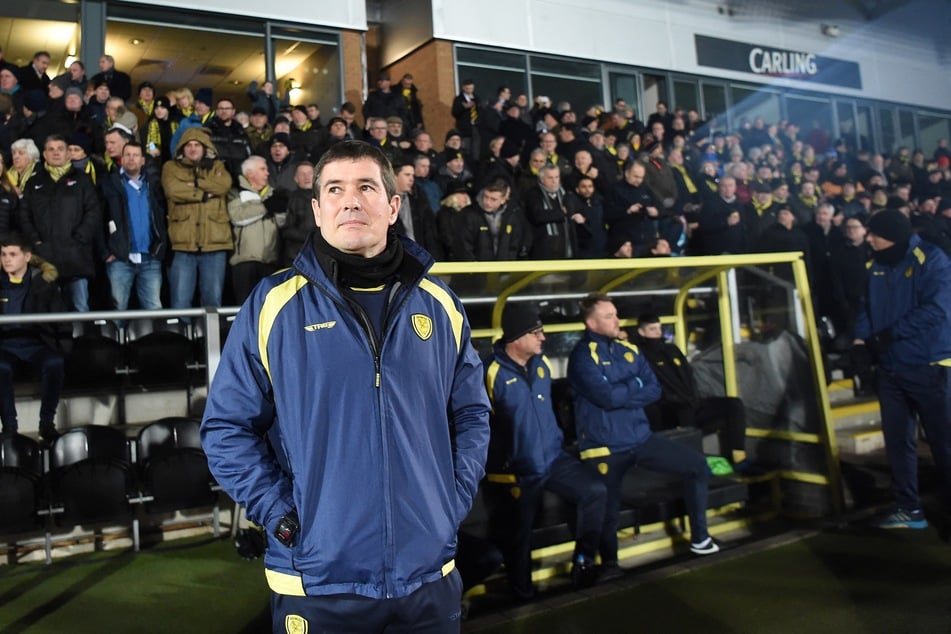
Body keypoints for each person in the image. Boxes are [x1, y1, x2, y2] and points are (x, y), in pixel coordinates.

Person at [200, 140, 489, 631]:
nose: (350, 200)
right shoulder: (273, 305)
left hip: (429, 579)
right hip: (318, 582)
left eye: (366, 187)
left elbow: (472, 414)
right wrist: (284, 517)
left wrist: (451, 501)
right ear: (317, 209)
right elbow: (226, 429)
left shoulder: (440, 305)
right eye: (334, 188)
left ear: (393, 206)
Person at [567, 294, 719, 570]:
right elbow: (607, 398)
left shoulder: (628, 349)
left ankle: (700, 539)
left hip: (640, 438)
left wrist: (624, 388)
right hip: (606, 447)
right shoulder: (581, 356)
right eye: (609, 316)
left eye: (615, 313)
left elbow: (654, 389)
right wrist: (632, 384)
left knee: (697, 465)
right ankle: (609, 566)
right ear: (591, 323)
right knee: (608, 510)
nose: (617, 320)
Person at [483, 304, 607, 599]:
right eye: (536, 332)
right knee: (520, 536)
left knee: (595, 491)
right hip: (518, 469)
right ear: (516, 337)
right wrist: (501, 464)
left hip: (552, 458)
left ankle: (584, 562)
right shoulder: (489, 372)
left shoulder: (541, 364)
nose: (543, 338)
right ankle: (521, 595)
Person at [853, 210, 951, 530]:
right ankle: (909, 508)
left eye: (874, 234)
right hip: (890, 367)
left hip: (929, 365)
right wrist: (860, 342)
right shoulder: (874, 265)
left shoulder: (932, 260)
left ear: (891, 235)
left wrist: (889, 334)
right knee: (897, 441)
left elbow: (936, 309)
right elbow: (866, 307)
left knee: (944, 442)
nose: (868, 239)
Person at [633, 314, 747, 466]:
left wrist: (693, 397)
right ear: (642, 332)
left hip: (691, 401)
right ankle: (696, 464)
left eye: (659, 328)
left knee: (733, 404)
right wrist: (676, 399)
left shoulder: (671, 349)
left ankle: (738, 455)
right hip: (669, 408)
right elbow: (653, 386)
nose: (658, 332)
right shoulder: (640, 355)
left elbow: (688, 374)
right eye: (652, 329)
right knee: (684, 411)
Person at [17, 135, 102, 312]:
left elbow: (93, 212)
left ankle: (81, 341)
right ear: (44, 155)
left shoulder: (82, 180)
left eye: (60, 149)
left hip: (76, 259)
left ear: (68, 154)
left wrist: (80, 238)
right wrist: (36, 241)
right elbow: (24, 215)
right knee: (46, 311)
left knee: (80, 308)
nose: (56, 153)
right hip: (44, 259)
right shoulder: (34, 182)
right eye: (51, 149)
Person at [0, 233, 71, 443]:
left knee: (55, 362)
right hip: (5, 346)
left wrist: (63, 349)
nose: (7, 259)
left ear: (27, 256)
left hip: (36, 344)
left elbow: (62, 319)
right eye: (3, 254)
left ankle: (47, 424)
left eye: (12, 254)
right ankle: (10, 429)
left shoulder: (43, 284)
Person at [161, 127, 233, 308]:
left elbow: (223, 185)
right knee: (180, 302)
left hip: (215, 245)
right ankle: (181, 337)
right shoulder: (170, 167)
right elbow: (173, 190)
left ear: (205, 147)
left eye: (197, 145)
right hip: (183, 245)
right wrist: (203, 193)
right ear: (182, 148)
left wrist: (195, 183)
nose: (193, 149)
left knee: (213, 303)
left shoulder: (218, 166)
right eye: (189, 145)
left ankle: (209, 338)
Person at [101, 142, 167, 311]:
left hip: (150, 258)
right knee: (118, 311)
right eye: (127, 155)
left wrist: (160, 247)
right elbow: (99, 220)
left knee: (154, 309)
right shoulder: (109, 184)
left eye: (135, 155)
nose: (131, 159)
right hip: (120, 258)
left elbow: (162, 217)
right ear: (121, 159)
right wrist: (106, 252)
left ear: (143, 160)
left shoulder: (154, 185)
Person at [226, 155, 281, 304]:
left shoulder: (272, 194)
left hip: (270, 261)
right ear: (250, 173)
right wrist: (265, 207)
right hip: (245, 262)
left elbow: (282, 223)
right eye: (263, 169)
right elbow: (237, 216)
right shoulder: (236, 191)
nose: (267, 173)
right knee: (246, 307)